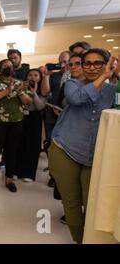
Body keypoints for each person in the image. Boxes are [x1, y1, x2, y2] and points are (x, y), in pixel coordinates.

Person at [48, 49, 119, 244]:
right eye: (87, 63)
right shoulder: (73, 84)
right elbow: (76, 99)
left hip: (94, 154)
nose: (91, 67)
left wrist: (117, 74)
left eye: (98, 63)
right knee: (71, 203)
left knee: (93, 202)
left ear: (107, 64)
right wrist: (104, 76)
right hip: (64, 149)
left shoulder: (112, 90)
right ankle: (80, 240)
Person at [0, 59, 32, 195]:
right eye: (5, 66)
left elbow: (28, 102)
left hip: (16, 122)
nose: (8, 67)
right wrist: (7, 91)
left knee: (11, 151)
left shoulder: (19, 83)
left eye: (10, 66)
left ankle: (9, 180)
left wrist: (19, 92)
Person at [15, 69, 47, 182]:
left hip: (35, 119)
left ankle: (29, 174)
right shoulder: (21, 88)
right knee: (20, 144)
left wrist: (34, 93)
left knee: (33, 146)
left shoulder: (43, 90)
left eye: (35, 75)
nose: (32, 77)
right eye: (30, 75)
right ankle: (17, 171)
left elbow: (40, 107)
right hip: (21, 117)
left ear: (40, 78)